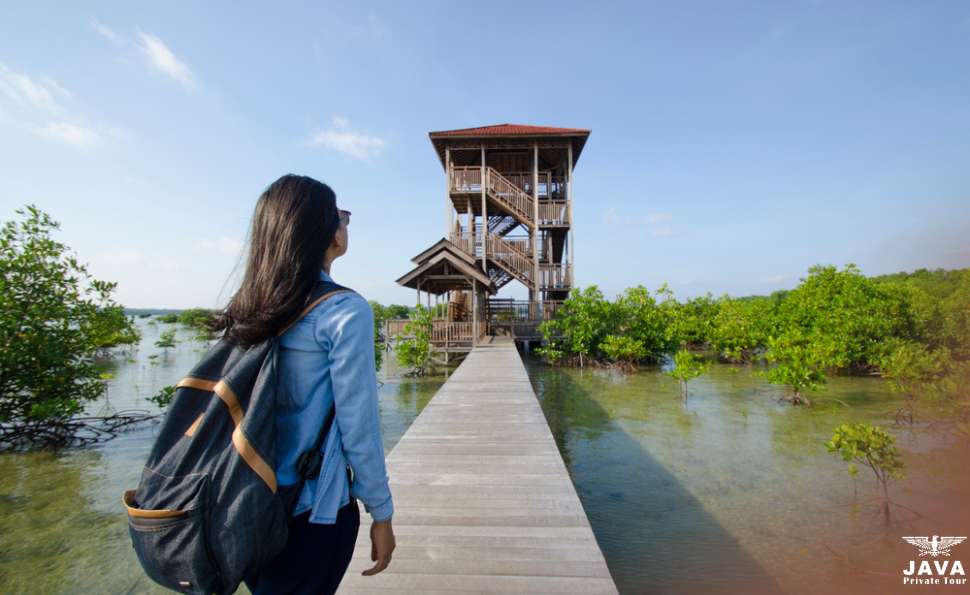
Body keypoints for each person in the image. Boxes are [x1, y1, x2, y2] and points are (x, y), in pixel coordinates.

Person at [212, 174, 396, 594]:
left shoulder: (249, 309)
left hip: (245, 503)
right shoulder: (344, 311)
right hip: (312, 510)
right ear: (328, 232)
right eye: (342, 216)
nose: (345, 224)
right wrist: (381, 514)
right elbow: (359, 428)